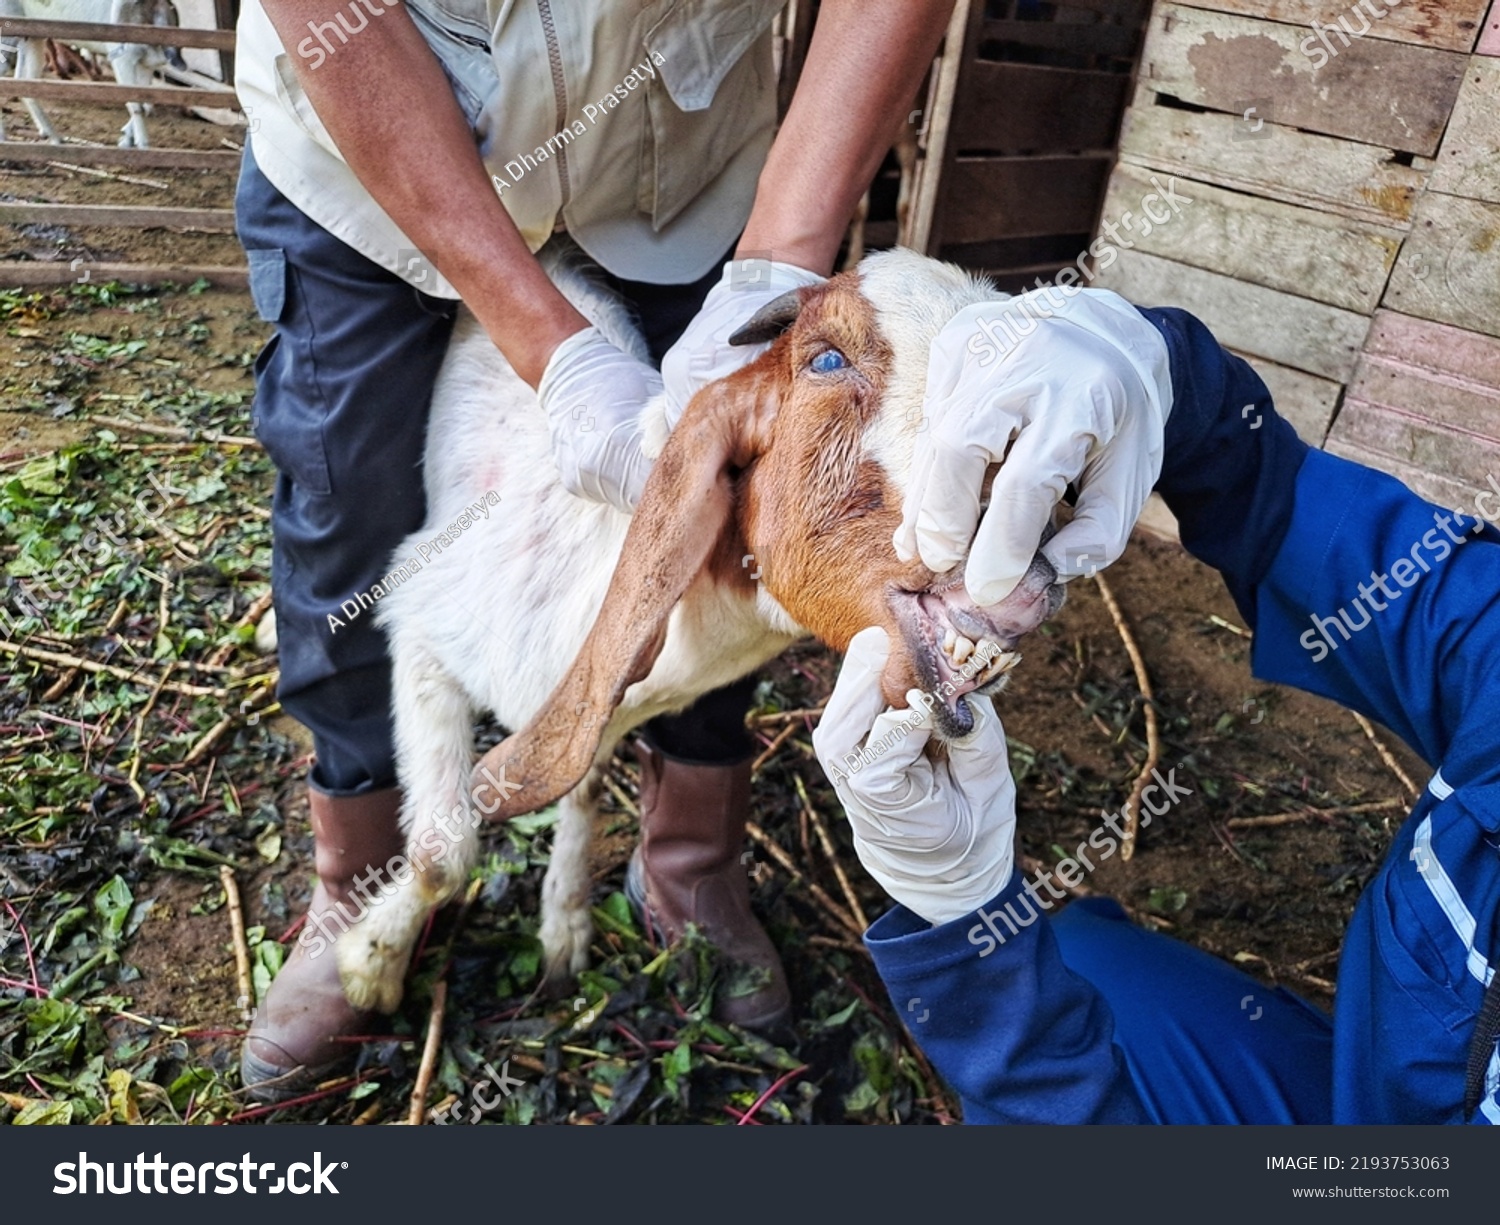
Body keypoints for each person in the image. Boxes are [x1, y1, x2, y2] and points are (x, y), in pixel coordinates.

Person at [233, 0, 955, 1098]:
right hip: (371, 156)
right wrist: (551, 352)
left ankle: (690, 853)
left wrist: (779, 263)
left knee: (730, 511)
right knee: (348, 495)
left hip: (679, 160)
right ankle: (367, 871)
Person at [813, 287, 1500, 1124]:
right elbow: (1335, 539)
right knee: (1081, 960)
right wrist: (1168, 375)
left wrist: (966, 931)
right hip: (1384, 1088)